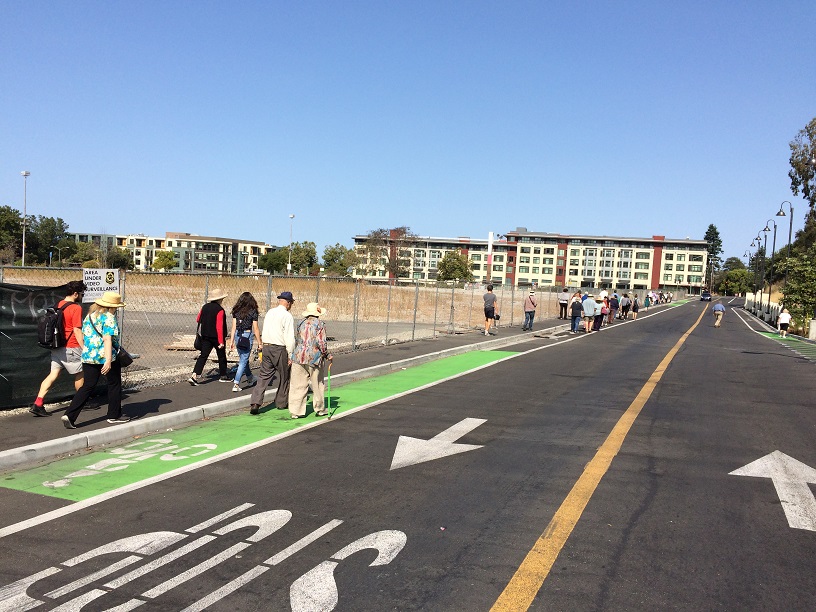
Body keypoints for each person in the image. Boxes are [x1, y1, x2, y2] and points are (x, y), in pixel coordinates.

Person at [61, 292, 129, 428]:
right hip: (105, 356)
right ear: (113, 307)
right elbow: (107, 338)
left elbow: (84, 334)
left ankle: (70, 414)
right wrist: (108, 360)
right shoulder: (109, 317)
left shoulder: (90, 316)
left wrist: (86, 349)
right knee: (114, 384)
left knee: (87, 386)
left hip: (89, 355)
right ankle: (114, 415)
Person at [30, 280, 87, 417]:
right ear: (75, 294)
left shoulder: (59, 304)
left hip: (57, 346)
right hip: (71, 346)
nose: (82, 296)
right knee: (80, 373)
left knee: (53, 374)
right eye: (81, 294)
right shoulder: (76, 308)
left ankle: (38, 403)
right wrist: (84, 348)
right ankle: (81, 401)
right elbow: (77, 330)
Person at [249, 291, 296, 415]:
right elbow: (289, 337)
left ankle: (255, 402)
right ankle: (281, 402)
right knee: (285, 375)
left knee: (264, 376)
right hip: (280, 348)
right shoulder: (287, 316)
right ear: (289, 303)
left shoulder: (270, 312)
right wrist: (290, 354)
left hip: (267, 346)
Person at [289, 302, 333, 418]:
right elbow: (321, 343)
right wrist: (327, 354)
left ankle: (296, 411)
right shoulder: (320, 324)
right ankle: (319, 408)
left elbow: (297, 339)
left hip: (298, 356)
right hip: (314, 358)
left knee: (297, 384)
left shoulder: (300, 323)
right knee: (317, 384)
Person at [189, 289, 230, 385]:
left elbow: (198, 319)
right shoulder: (220, 310)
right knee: (221, 356)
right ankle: (223, 375)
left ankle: (194, 375)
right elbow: (219, 326)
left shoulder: (205, 307)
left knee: (203, 355)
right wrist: (221, 341)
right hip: (216, 337)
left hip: (205, 335)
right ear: (220, 299)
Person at [229, 292, 261, 392]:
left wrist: (231, 341)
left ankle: (250, 377)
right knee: (243, 360)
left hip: (238, 335)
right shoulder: (253, 311)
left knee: (244, 358)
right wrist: (260, 342)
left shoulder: (236, 310)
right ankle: (236, 383)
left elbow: (233, 327)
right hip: (247, 336)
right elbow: (255, 328)